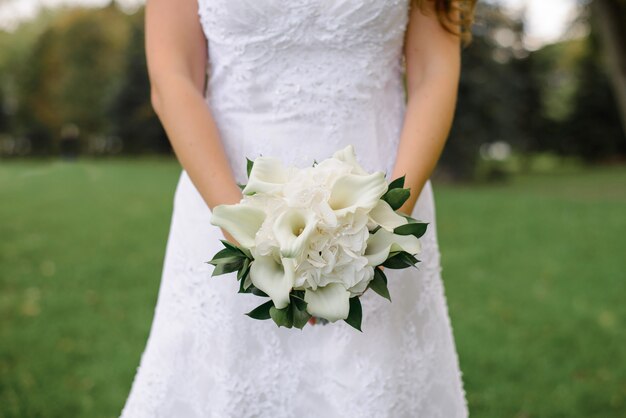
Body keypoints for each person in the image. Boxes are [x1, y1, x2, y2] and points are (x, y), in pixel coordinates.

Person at [121, 0, 476, 416]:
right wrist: (243, 228)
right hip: (221, 194)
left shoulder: (387, 218)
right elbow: (172, 76)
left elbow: (435, 73)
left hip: (382, 200)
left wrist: (386, 222)